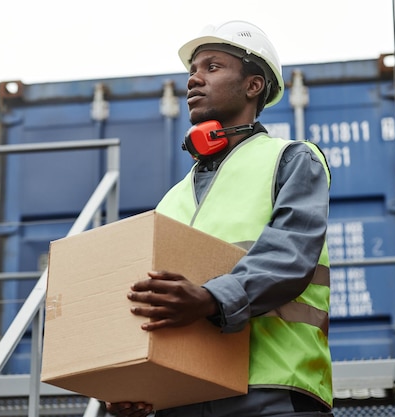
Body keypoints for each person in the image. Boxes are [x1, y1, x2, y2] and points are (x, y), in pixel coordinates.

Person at [106, 21, 334, 417]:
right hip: (183, 394)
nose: (194, 80)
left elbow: (291, 255)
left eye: (212, 67)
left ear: (253, 85)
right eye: (192, 71)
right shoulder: (171, 200)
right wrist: (134, 380)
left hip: (271, 390)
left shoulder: (291, 158)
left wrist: (210, 298)